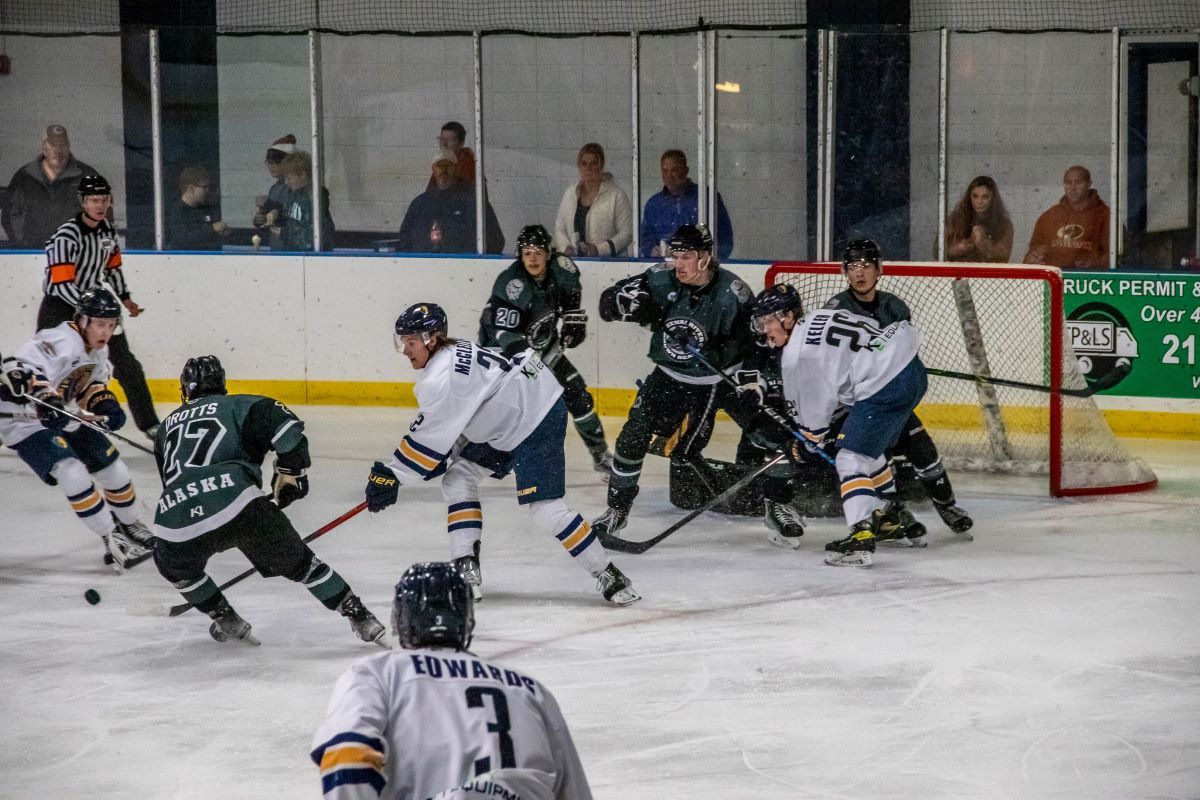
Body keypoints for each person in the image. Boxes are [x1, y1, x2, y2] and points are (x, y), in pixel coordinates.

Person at [362, 302, 639, 606]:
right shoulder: (454, 351)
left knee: (546, 508)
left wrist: (390, 476)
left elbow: (426, 439)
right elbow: (460, 416)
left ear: (431, 338)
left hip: (535, 415)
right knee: (458, 478)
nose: (405, 350)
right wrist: (438, 455)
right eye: (402, 341)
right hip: (514, 410)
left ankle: (608, 574)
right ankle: (466, 568)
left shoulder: (439, 378)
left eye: (411, 342)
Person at [151, 355, 386, 646]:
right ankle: (361, 617)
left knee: (177, 569)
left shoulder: (164, 429)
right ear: (223, 385)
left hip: (173, 522)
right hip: (240, 505)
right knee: (304, 566)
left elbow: (172, 482)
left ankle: (224, 617)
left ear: (185, 391)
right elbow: (290, 435)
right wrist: (291, 474)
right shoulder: (242, 404)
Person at [312, 561, 594, 800]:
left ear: (399, 621)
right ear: (467, 623)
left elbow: (347, 759)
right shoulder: (529, 689)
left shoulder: (377, 674)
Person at [592, 223, 757, 540]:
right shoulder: (659, 278)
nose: (678, 263)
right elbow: (607, 303)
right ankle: (617, 509)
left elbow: (754, 348)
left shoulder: (733, 294)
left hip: (713, 383)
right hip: (666, 376)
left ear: (706, 257)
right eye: (675, 255)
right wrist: (632, 307)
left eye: (687, 256)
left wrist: (748, 378)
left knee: (690, 449)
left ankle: (778, 502)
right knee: (632, 435)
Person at [751, 282, 930, 567]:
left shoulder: (798, 357)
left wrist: (798, 449)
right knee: (863, 447)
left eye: (766, 321)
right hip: (911, 369)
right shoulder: (820, 316)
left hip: (882, 384)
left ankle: (861, 537)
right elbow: (867, 326)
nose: (763, 330)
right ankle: (891, 517)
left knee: (850, 458)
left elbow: (814, 433)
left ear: (787, 316)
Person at [822, 239, 973, 537]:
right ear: (845, 272)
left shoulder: (895, 307)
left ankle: (946, 504)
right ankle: (893, 514)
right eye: (853, 267)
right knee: (879, 460)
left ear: (879, 269)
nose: (859, 273)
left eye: (866, 265)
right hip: (862, 404)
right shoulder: (836, 310)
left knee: (922, 447)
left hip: (893, 398)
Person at [0, 289, 155, 571]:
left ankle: (131, 526)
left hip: (64, 414)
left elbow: (90, 385)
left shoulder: (99, 350)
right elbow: (18, 365)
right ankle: (111, 536)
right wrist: (45, 398)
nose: (106, 331)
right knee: (71, 471)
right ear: (82, 321)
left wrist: (106, 404)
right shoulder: (58, 339)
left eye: (111, 325)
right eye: (100, 324)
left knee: (113, 468)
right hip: (22, 421)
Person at [478, 224, 612, 476]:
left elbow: (571, 302)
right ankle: (471, 452)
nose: (533, 258)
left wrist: (573, 326)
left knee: (578, 395)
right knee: (501, 409)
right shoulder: (511, 284)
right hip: (503, 354)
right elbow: (505, 334)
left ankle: (600, 454)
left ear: (549, 253)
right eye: (527, 252)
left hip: (544, 347)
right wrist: (531, 368)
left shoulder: (563, 269)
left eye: (538, 251)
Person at [40, 174, 160, 438]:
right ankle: (20, 421)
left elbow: (112, 268)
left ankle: (150, 423)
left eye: (104, 199)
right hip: (60, 308)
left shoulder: (107, 230)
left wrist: (125, 297)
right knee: (47, 367)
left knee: (126, 363)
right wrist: (86, 309)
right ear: (83, 201)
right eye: (95, 199)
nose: (100, 205)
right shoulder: (66, 236)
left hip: (96, 307)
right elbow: (61, 283)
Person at [3, 124, 102, 249]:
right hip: (32, 254)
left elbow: (103, 213)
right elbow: (10, 213)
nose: (58, 151)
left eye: (63, 145)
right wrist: (24, 246)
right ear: (43, 147)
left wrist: (86, 247)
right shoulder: (24, 176)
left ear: (69, 146)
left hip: (74, 254)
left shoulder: (87, 175)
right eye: (53, 145)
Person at [396, 153, 504, 254]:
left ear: (456, 169)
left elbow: (495, 240)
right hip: (424, 269)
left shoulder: (474, 202)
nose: (444, 169)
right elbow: (404, 239)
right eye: (440, 165)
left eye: (448, 165)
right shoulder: (419, 204)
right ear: (433, 169)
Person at [639, 150, 734, 260]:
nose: (669, 175)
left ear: (685, 171)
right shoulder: (654, 204)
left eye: (674, 170)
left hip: (698, 270)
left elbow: (725, 238)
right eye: (665, 170)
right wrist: (651, 250)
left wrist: (709, 260)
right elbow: (644, 239)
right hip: (665, 269)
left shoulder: (706, 197)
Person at [552, 143, 633, 257]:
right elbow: (559, 226)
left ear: (601, 166)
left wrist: (600, 250)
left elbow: (627, 233)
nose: (588, 168)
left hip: (609, 265)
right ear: (579, 166)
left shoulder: (617, 195)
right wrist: (565, 248)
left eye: (593, 163)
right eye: (584, 164)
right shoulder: (570, 194)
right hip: (576, 264)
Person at [1023, 165, 1110, 269]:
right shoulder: (1050, 216)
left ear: (1089, 184)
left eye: (1078, 183)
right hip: (1054, 280)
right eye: (1068, 183)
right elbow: (1032, 254)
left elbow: (1118, 257)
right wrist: (1032, 259)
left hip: (1087, 280)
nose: (1073, 188)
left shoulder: (1105, 216)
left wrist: (1095, 264)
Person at [944, 176, 1013, 262]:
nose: (979, 201)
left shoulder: (1004, 223)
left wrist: (984, 243)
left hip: (988, 273)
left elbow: (1004, 256)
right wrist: (958, 248)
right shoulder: (956, 218)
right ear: (969, 197)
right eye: (975, 196)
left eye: (985, 197)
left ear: (993, 199)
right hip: (960, 272)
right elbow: (937, 250)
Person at [279, 151, 336, 252]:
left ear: (302, 175)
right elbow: (287, 218)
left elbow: (317, 228)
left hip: (309, 251)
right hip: (294, 250)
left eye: (289, 178)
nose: (286, 182)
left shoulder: (314, 196)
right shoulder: (293, 195)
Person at [165, 166, 230, 251]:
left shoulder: (206, 208)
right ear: (191, 189)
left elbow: (211, 236)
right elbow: (183, 239)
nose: (208, 190)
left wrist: (222, 233)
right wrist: (212, 228)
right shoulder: (178, 211)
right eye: (205, 187)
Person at [252, 134, 296, 250]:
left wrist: (268, 204)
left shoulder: (295, 187)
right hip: (276, 243)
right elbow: (272, 215)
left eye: (276, 162)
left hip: (292, 243)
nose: (271, 166)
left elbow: (291, 211)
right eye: (269, 162)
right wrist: (260, 219)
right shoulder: (275, 188)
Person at [426, 121, 477, 190]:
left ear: (461, 143)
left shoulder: (469, 167)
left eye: (450, 140)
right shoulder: (441, 162)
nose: (444, 144)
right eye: (442, 139)